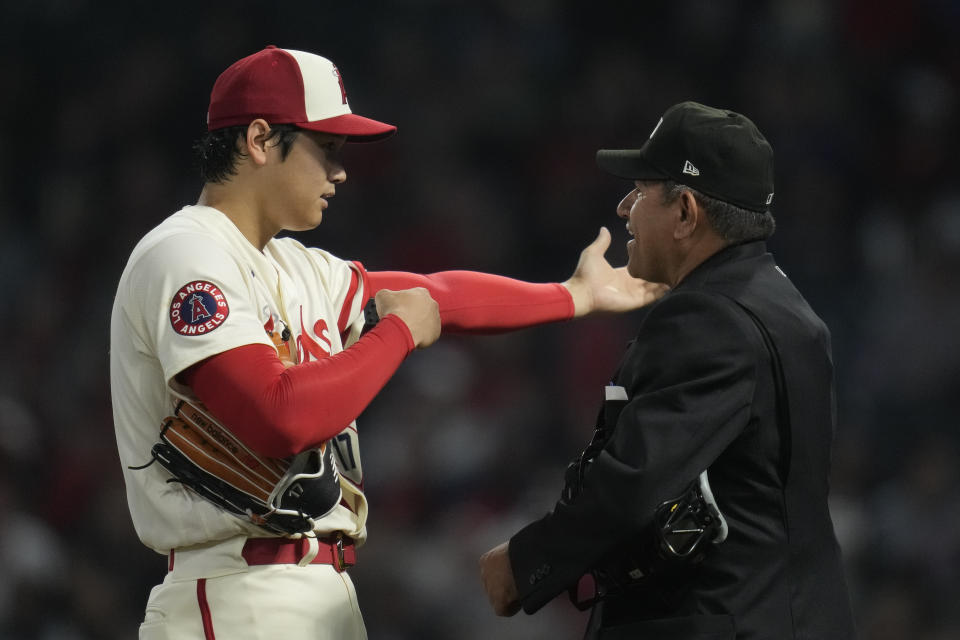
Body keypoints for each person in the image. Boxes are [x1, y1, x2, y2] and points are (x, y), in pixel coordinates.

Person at [109, 45, 663, 640]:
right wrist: (397, 334)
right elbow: (280, 415)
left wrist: (572, 295)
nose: (340, 172)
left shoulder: (296, 267)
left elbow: (437, 295)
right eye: (326, 150)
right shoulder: (186, 254)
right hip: (238, 589)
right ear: (262, 140)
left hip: (308, 586)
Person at [479, 101, 857, 639]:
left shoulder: (708, 318)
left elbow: (635, 482)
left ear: (685, 213)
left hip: (726, 620)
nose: (622, 206)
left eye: (639, 190)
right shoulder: (784, 306)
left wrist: (523, 563)